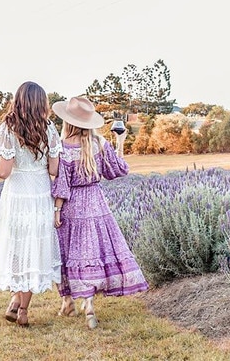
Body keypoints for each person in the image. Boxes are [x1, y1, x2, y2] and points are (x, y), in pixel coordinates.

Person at [0, 81, 63, 327]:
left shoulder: (7, 128)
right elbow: (53, 169)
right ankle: (22, 309)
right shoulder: (50, 128)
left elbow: (3, 172)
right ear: (42, 103)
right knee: (34, 249)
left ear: (18, 100)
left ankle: (16, 301)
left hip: (16, 196)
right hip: (40, 194)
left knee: (18, 249)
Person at [50, 96, 149, 330]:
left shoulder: (63, 148)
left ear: (68, 121)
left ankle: (71, 302)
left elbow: (62, 185)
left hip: (73, 205)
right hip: (96, 203)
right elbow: (119, 169)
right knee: (94, 250)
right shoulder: (100, 143)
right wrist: (120, 141)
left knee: (70, 253)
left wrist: (57, 210)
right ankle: (89, 308)